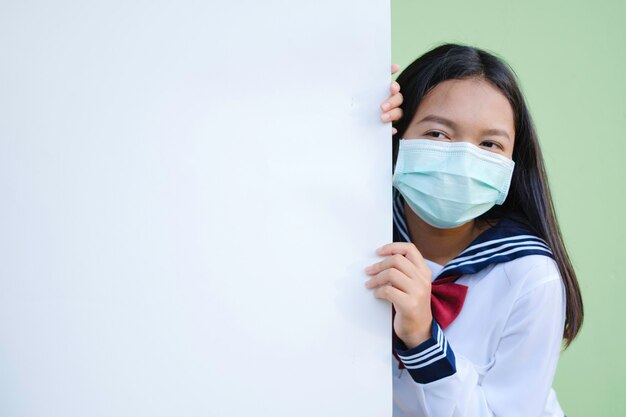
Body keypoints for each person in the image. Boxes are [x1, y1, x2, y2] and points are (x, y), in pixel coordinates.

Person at [366, 43, 584, 417]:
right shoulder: (357, 229)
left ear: (513, 162)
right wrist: (356, 111)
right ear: (398, 132)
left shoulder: (530, 276)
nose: (464, 159)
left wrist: (423, 339)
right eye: (437, 134)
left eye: (489, 144)